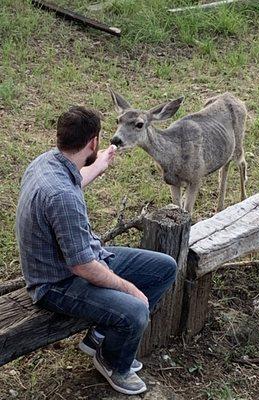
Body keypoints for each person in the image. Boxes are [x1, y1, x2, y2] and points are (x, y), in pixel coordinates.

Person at [15, 106, 177, 395]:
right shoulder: (62, 197)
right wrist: (129, 289)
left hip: (78, 258)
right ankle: (113, 362)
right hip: (56, 282)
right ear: (93, 141)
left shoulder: (47, 162)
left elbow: (72, 185)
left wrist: (98, 166)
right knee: (137, 308)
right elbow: (83, 267)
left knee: (163, 267)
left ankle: (99, 337)